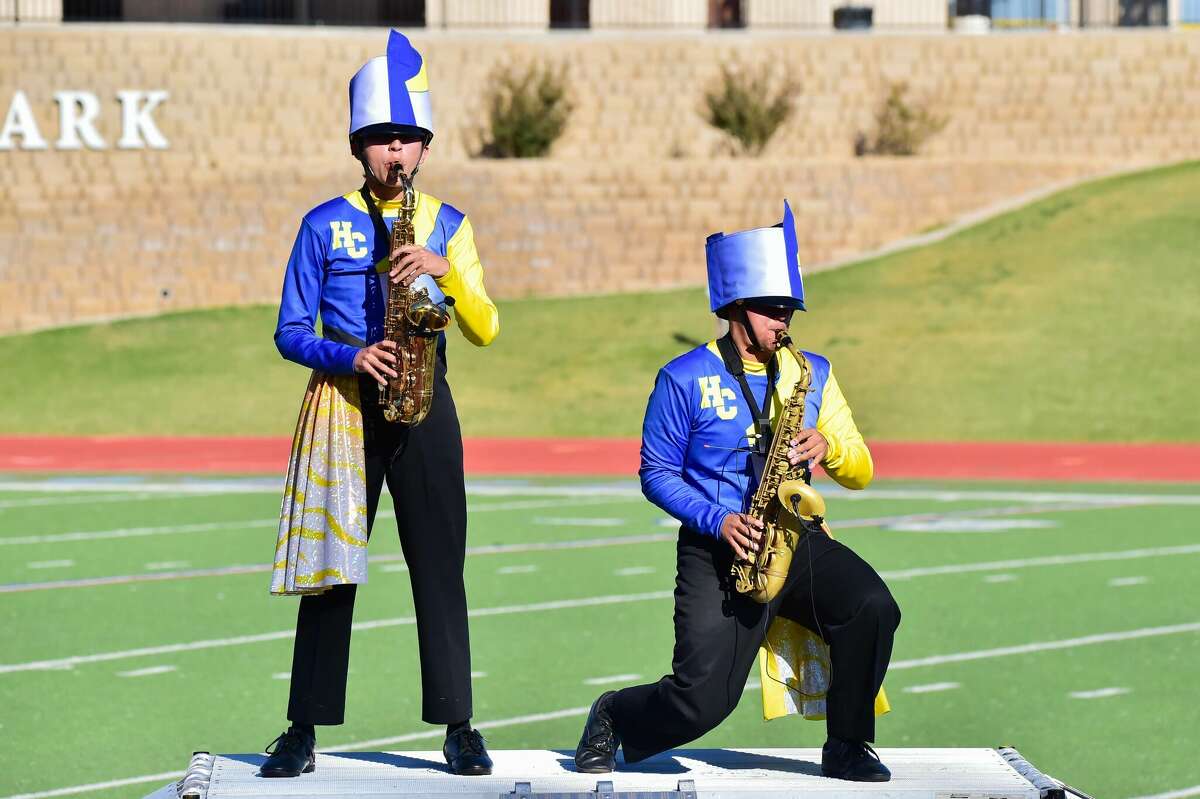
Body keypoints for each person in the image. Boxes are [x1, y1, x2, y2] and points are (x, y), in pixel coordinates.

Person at [574, 202, 900, 782]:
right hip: (719, 547)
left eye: (789, 310)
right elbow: (656, 474)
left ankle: (848, 744)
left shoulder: (812, 372)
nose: (785, 322)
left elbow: (863, 469)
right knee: (702, 703)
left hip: (795, 541)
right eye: (773, 310)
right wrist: (719, 521)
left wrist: (828, 445)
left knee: (873, 606)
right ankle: (614, 714)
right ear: (735, 311)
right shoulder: (683, 377)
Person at [261, 30, 499, 778]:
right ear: (360, 146)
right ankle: (302, 726)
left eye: (407, 140)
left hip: (427, 407)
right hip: (346, 409)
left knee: (440, 567)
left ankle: (459, 725)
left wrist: (446, 274)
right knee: (332, 571)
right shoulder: (320, 223)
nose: (395, 154)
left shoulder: (449, 225)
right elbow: (288, 330)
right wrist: (350, 354)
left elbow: (488, 325)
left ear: (424, 148)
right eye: (381, 140)